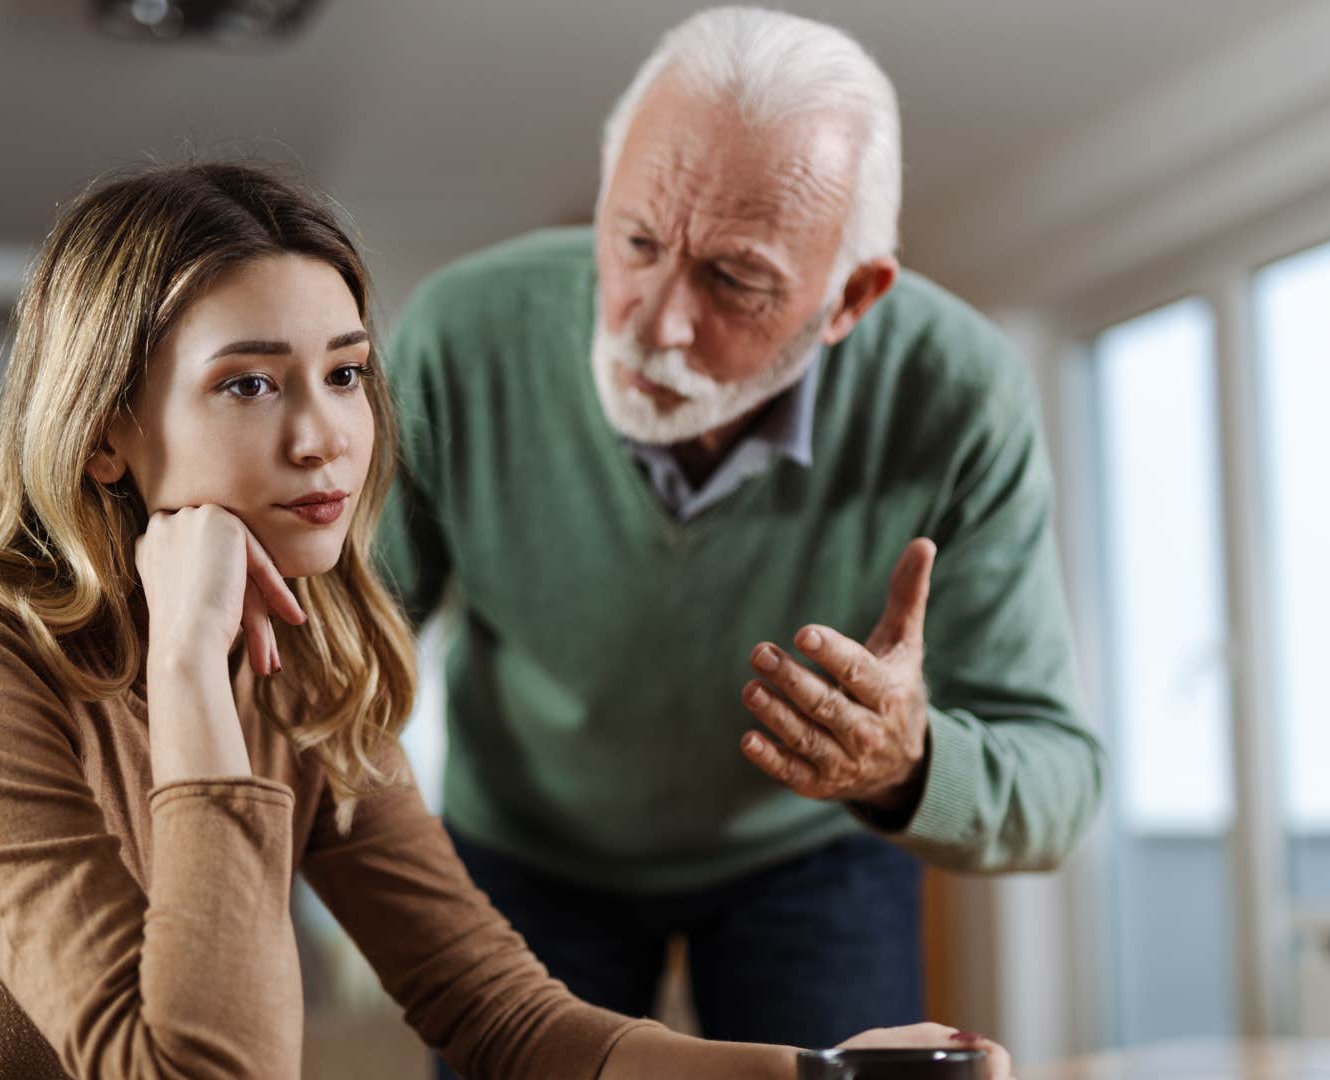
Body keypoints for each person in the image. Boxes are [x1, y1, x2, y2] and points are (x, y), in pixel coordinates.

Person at [0, 162, 1012, 1079]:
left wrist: (822, 1073)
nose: (323, 437)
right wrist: (190, 677)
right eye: (249, 385)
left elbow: (506, 1018)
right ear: (109, 432)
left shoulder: (303, 665)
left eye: (345, 373)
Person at [378, 7, 1105, 1056]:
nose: (654, 323)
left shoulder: (960, 393)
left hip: (812, 849)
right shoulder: (461, 333)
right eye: (635, 242)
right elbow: (346, 647)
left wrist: (906, 764)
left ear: (851, 299)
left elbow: (1059, 781)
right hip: (526, 842)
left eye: (735, 280)